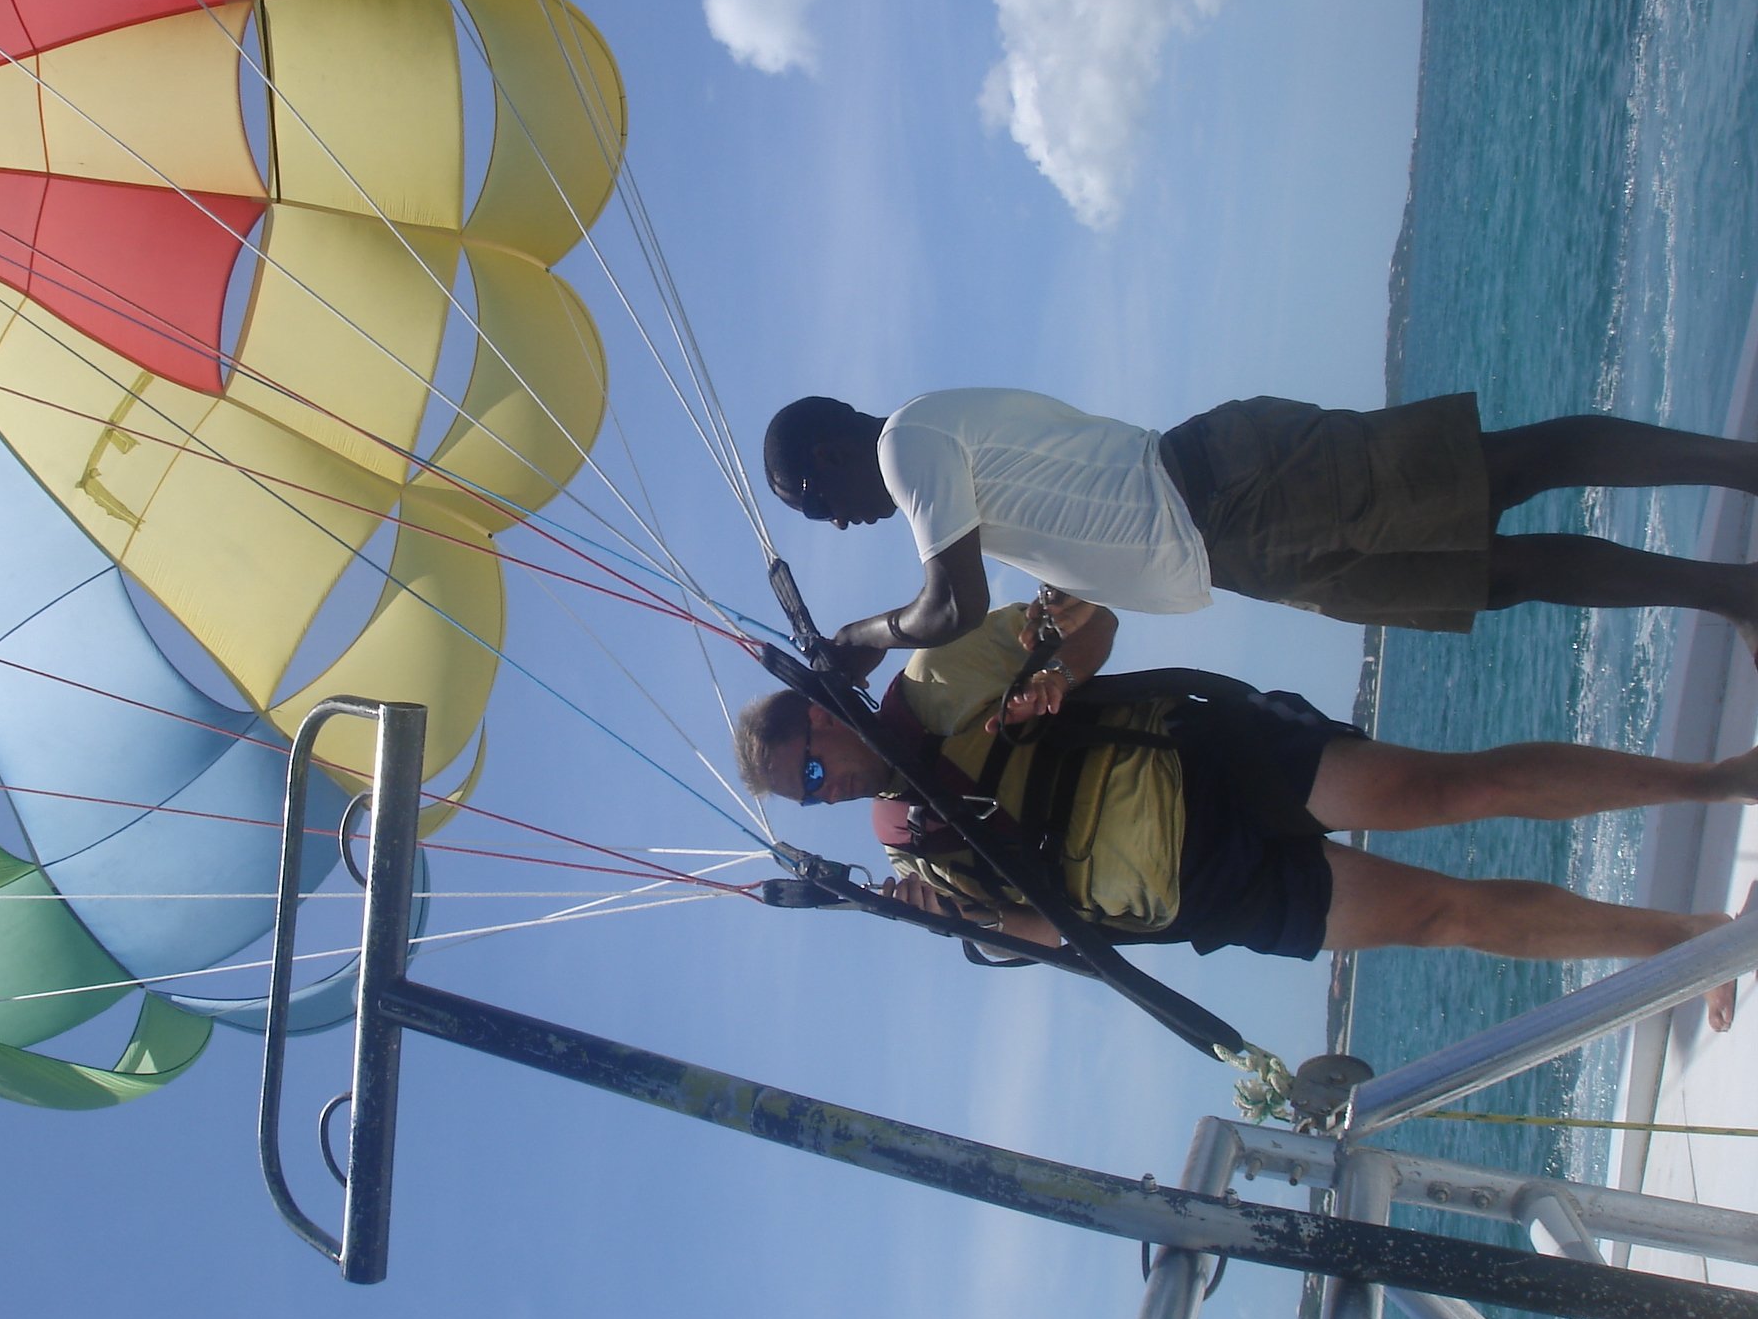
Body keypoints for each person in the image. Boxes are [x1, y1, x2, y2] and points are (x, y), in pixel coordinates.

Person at [733, 596, 1750, 1029]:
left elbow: (1087, 618)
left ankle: (1716, 780)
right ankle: (1689, 940)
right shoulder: (916, 852)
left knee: (1455, 789)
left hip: (1209, 764)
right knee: (1446, 914)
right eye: (808, 796)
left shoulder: (930, 680)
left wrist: (1051, 672)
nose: (829, 788)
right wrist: (968, 922)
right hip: (1211, 895)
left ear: (824, 714)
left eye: (810, 764)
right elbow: (1059, 931)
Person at [761, 389, 1758, 674]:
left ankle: (1741, 471)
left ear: (826, 459)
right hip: (1235, 547)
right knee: (1487, 572)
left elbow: (948, 607)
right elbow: (1077, 511)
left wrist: (853, 643)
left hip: (1232, 489)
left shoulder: (905, 443)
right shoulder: (938, 463)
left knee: (1498, 470)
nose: (839, 524)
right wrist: (1069, 606)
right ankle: (1732, 593)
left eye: (816, 506)